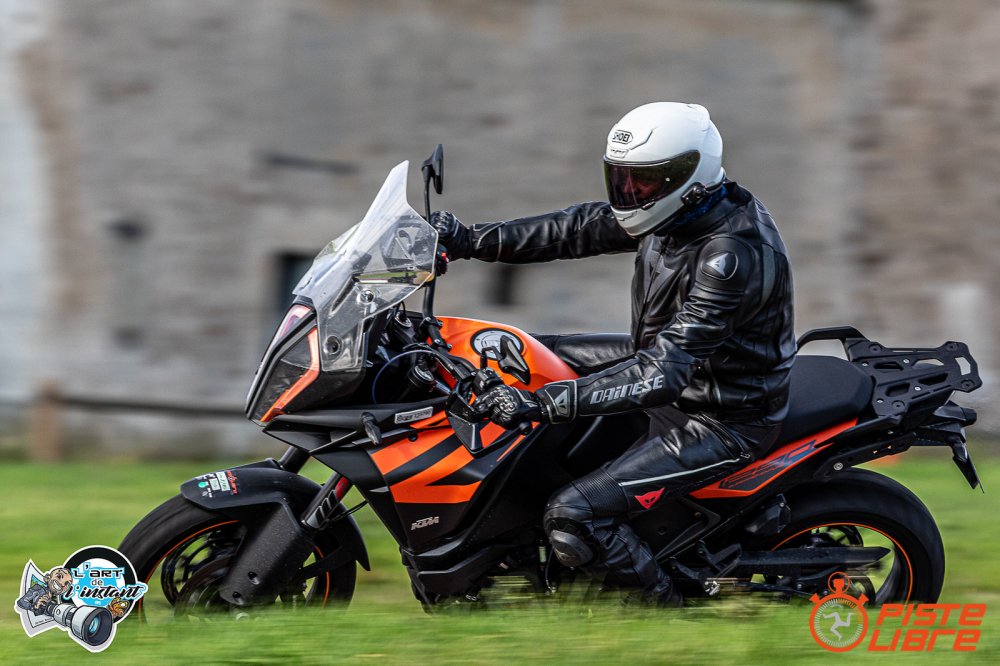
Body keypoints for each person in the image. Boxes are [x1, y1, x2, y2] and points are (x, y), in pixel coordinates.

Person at [430, 102, 795, 606]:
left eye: (643, 181)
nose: (629, 193)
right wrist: (469, 240)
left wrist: (542, 403)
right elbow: (575, 229)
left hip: (718, 415)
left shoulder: (730, 257)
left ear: (689, 176)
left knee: (574, 514)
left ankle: (664, 618)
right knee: (524, 351)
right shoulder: (679, 210)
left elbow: (662, 374)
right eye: (622, 178)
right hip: (671, 366)